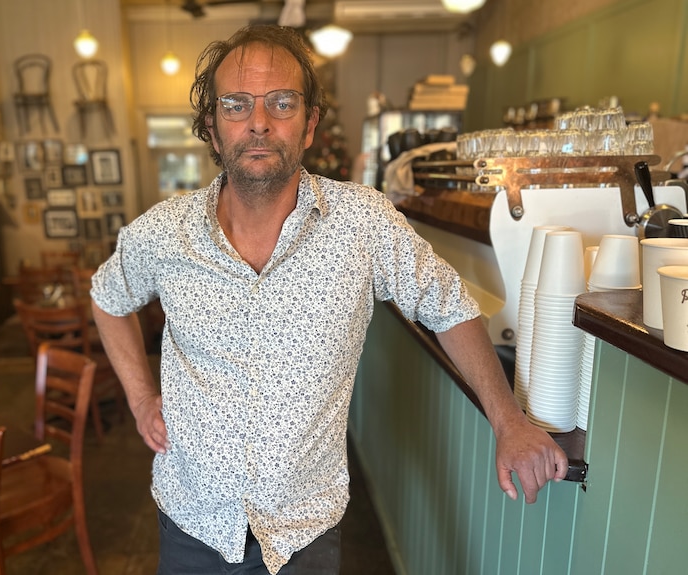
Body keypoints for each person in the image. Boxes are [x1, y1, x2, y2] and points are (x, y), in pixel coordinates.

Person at [90, 25, 568, 575]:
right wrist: (140, 398)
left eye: (282, 103)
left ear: (311, 123)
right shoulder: (163, 233)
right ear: (213, 129)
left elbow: (451, 307)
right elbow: (108, 298)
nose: (260, 122)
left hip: (304, 534)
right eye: (236, 105)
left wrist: (508, 420)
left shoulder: (364, 225)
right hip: (191, 521)